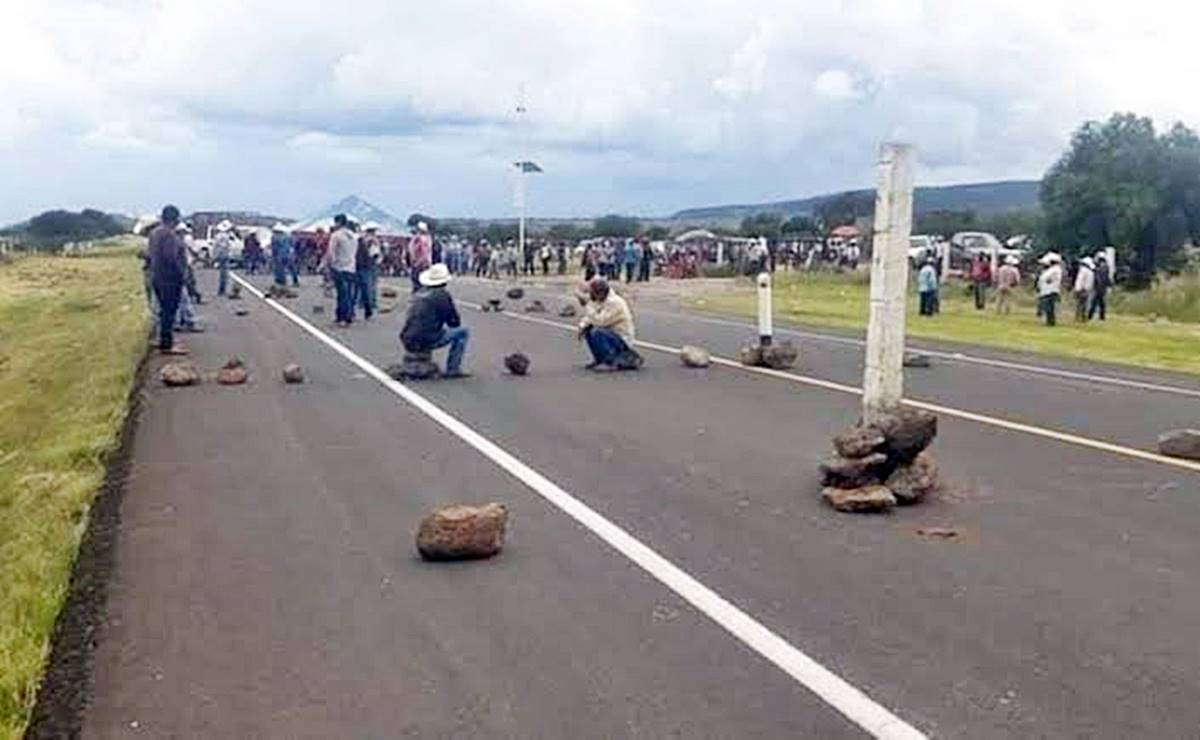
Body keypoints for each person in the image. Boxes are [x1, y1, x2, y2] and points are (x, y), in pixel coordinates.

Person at [400, 263, 470, 378]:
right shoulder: (442, 295)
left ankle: (420, 358)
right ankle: (453, 369)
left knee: (427, 328)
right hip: (426, 338)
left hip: (407, 337)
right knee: (463, 332)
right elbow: (454, 322)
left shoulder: (419, 294)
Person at [147, 205, 189, 353]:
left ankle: (164, 339)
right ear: (174, 219)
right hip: (169, 278)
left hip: (157, 276)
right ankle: (166, 344)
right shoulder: (168, 235)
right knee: (169, 311)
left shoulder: (154, 233)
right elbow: (171, 258)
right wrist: (182, 274)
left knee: (164, 310)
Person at [578, 278, 643, 371]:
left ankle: (611, 362)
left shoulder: (615, 302)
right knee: (587, 330)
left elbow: (600, 321)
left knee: (597, 332)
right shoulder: (600, 301)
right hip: (610, 334)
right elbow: (589, 318)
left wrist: (587, 306)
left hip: (621, 338)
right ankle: (600, 359)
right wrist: (582, 326)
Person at [324, 214, 358, 327]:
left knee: (342, 294)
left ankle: (344, 317)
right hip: (351, 267)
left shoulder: (336, 235)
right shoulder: (353, 236)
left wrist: (329, 265)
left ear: (338, 222)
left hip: (339, 267)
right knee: (348, 293)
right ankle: (345, 315)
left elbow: (331, 252)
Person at [356, 222, 383, 320]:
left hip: (360, 264)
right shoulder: (373, 240)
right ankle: (370, 304)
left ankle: (360, 302)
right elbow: (374, 253)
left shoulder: (361, 239)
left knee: (361, 285)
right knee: (371, 285)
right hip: (370, 264)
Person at [1037, 252, 1063, 326]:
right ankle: (1049, 321)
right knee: (1048, 307)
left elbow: (1044, 278)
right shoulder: (1054, 269)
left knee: (1049, 307)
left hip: (1049, 290)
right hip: (1048, 290)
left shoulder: (1055, 269)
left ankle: (1050, 322)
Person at [406, 221, 433, 293]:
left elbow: (424, 252)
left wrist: (417, 262)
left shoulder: (420, 239)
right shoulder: (426, 238)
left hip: (420, 263)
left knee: (417, 279)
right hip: (422, 262)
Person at [213, 220, 234, 296]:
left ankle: (221, 290)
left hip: (221, 255)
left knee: (223, 274)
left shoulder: (218, 236)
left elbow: (216, 246)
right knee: (224, 274)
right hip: (224, 256)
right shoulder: (225, 236)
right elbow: (224, 246)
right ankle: (222, 290)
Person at [1073, 256, 1095, 322]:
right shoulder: (1091, 272)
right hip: (1087, 290)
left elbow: (1080, 281)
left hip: (1082, 290)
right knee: (1084, 304)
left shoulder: (1083, 271)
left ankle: (1079, 317)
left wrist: (1077, 289)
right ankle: (1083, 317)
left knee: (1080, 304)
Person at [1089, 253, 1110, 321]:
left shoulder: (1100, 268)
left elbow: (1099, 277)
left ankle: (1090, 315)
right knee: (1101, 303)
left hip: (1099, 287)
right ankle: (1101, 316)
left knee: (1095, 302)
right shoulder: (1105, 267)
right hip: (1103, 287)